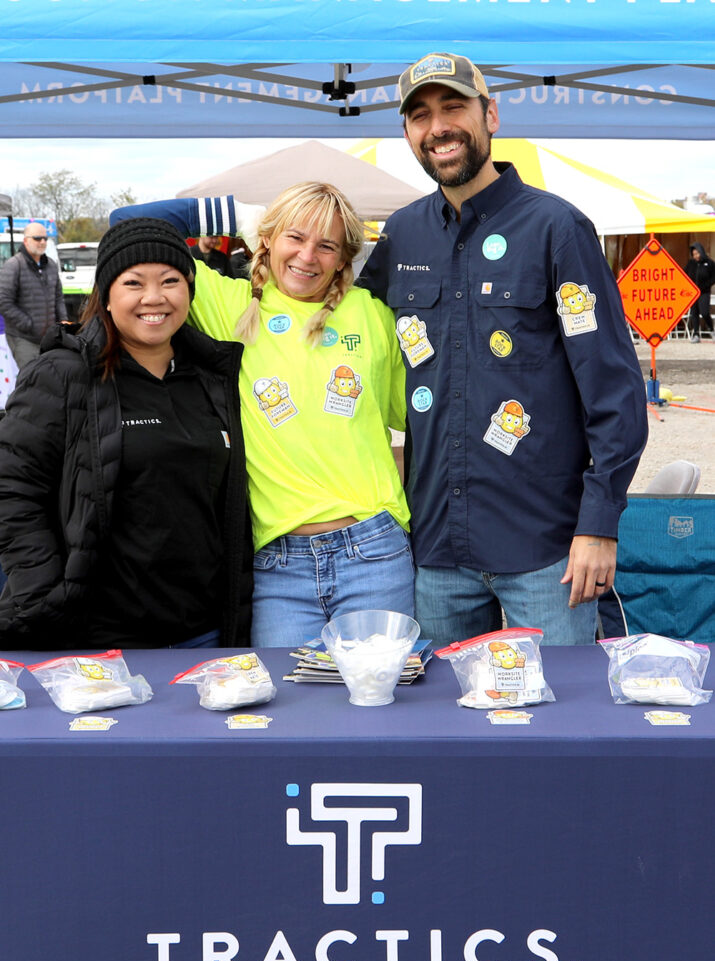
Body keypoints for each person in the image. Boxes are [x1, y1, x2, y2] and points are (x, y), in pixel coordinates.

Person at [358, 52, 648, 649]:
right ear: (407, 134)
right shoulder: (401, 235)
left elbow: (614, 391)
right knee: (440, 732)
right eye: (419, 115)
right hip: (435, 553)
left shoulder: (557, 229)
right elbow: (341, 331)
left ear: (490, 114)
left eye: (453, 107)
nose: (437, 126)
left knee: (557, 729)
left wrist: (599, 527)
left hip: (545, 553)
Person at [111, 183, 413, 647]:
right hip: (278, 566)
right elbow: (129, 225)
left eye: (326, 245)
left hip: (374, 551)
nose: (307, 257)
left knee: (376, 709)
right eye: (295, 237)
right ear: (266, 240)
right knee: (290, 713)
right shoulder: (230, 304)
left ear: (342, 258)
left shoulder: (371, 315)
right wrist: (237, 213)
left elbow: (416, 419)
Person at [0, 218, 252, 650]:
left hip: (205, 635)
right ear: (107, 296)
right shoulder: (64, 373)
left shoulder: (213, 375)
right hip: (98, 642)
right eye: (134, 282)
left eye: (171, 280)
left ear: (189, 291)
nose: (154, 297)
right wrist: (45, 592)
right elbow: (12, 488)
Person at [0, 222, 67, 369]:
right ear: (26, 240)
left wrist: (63, 322)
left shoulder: (50, 265)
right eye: (37, 238)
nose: (42, 242)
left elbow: (58, 298)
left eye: (45, 238)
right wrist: (27, 324)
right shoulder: (14, 265)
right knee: (31, 381)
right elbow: (3, 301)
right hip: (23, 338)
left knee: (49, 378)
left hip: (48, 338)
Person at [684, 242, 715, 343]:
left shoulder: (709, 263)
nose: (696, 256)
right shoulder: (691, 263)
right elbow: (684, 274)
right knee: (694, 313)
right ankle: (696, 334)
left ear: (701, 252)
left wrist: (707, 285)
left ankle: (711, 330)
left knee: (704, 312)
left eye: (697, 253)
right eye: (694, 254)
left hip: (704, 292)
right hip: (693, 293)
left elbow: (713, 277)